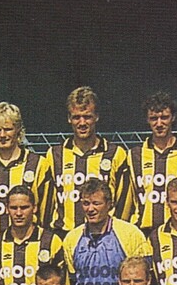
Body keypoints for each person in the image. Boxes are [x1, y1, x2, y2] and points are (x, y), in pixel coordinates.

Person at [39, 86, 133, 234]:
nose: (82, 123)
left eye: (87, 116)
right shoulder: (54, 155)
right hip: (64, 234)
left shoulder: (116, 154)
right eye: (76, 117)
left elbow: (123, 204)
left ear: (96, 117)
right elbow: (46, 205)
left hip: (106, 236)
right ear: (69, 118)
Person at [62, 178, 150, 285]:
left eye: (96, 203)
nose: (90, 209)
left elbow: (144, 279)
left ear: (109, 204)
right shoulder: (71, 239)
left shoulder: (131, 234)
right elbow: (72, 282)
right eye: (86, 203)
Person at [128, 92, 177, 235]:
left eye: (164, 117)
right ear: (147, 120)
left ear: (173, 118)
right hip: (145, 233)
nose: (159, 123)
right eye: (154, 118)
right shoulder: (134, 155)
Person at [0, 184, 65, 285]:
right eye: (14, 208)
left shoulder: (51, 242)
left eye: (24, 207)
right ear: (6, 209)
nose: (19, 213)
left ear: (34, 208)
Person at [0, 102, 47, 238]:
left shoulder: (38, 164)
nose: (2, 135)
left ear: (18, 129)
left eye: (7, 129)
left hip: (29, 242)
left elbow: (45, 211)